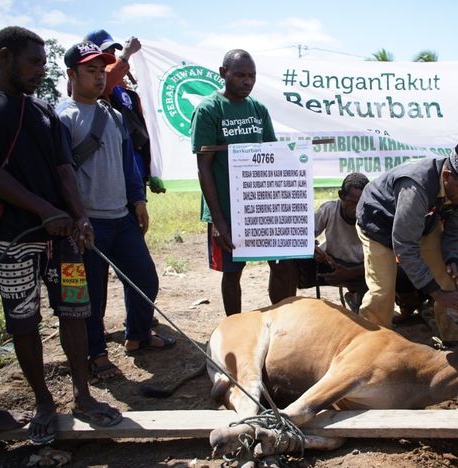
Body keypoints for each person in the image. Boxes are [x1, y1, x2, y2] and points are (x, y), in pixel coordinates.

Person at [0, 26, 121, 444]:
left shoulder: (44, 111)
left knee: (76, 312)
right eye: (34, 61)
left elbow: (64, 170)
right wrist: (44, 210)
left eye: (45, 62)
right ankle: (44, 401)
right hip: (14, 237)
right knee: (23, 321)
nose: (41, 69)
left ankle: (83, 395)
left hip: (62, 237)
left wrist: (79, 217)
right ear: (5, 57)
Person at [57, 41, 174, 381]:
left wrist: (137, 200)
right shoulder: (62, 119)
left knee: (145, 279)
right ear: (72, 75)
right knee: (90, 295)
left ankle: (137, 335)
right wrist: (76, 219)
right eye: (90, 70)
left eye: (100, 70)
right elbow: (60, 174)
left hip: (121, 219)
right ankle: (95, 353)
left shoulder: (114, 115)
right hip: (88, 224)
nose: (97, 77)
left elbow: (128, 164)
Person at [356, 137, 458, 342]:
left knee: (447, 278)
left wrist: (453, 260)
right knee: (382, 293)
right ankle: (369, 344)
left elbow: (456, 231)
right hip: (378, 225)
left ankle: (453, 339)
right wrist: (436, 293)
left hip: (422, 224)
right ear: (447, 176)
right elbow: (404, 247)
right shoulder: (415, 187)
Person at [191, 49, 283, 315]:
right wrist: (219, 222)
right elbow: (204, 167)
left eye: (251, 76)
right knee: (233, 272)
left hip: (259, 208)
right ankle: (235, 327)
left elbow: (273, 157)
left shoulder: (258, 109)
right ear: (223, 73)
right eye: (240, 75)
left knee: (281, 264)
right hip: (227, 210)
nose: (247, 81)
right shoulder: (209, 109)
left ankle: (280, 324)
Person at [270, 172, 370, 311]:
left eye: (361, 203)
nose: (356, 209)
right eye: (352, 203)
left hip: (361, 268)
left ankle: (358, 297)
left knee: (384, 273)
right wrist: (311, 247)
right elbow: (302, 235)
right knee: (285, 259)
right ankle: (284, 308)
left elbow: (381, 259)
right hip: (331, 263)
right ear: (341, 195)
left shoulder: (373, 214)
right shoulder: (329, 209)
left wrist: (350, 272)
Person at [83, 29, 165, 194]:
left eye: (113, 51)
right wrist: (126, 53)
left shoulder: (128, 92)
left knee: (138, 219)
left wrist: (152, 171)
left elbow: (142, 132)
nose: (112, 55)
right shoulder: (93, 88)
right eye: (105, 52)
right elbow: (105, 82)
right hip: (110, 171)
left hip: (136, 173)